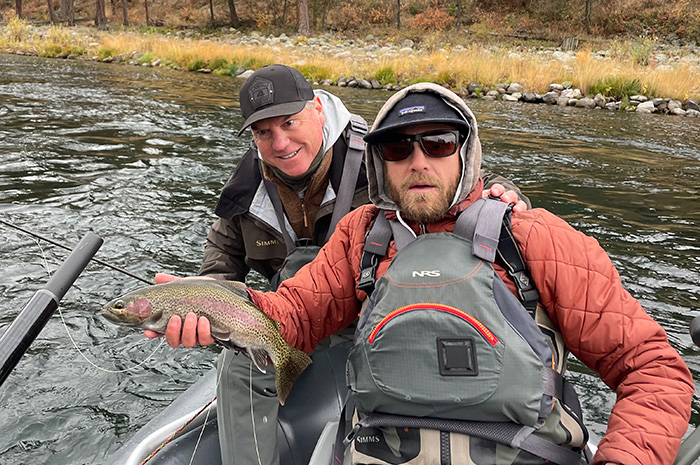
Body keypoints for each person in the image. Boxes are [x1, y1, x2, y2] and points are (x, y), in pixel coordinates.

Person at [202, 82, 692, 464]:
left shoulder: (535, 238)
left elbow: (653, 371)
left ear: (465, 150)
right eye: (397, 149)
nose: (417, 162)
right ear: (380, 161)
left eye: (437, 144)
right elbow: (286, 315)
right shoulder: (361, 236)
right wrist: (204, 306)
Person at [147, 65, 529, 465]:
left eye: (289, 123)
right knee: (238, 366)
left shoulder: (382, 151)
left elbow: (453, 178)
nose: (280, 142)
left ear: (317, 108)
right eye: (263, 132)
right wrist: (197, 306)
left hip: (387, 313)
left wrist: (507, 195)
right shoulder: (244, 187)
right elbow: (219, 269)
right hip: (297, 316)